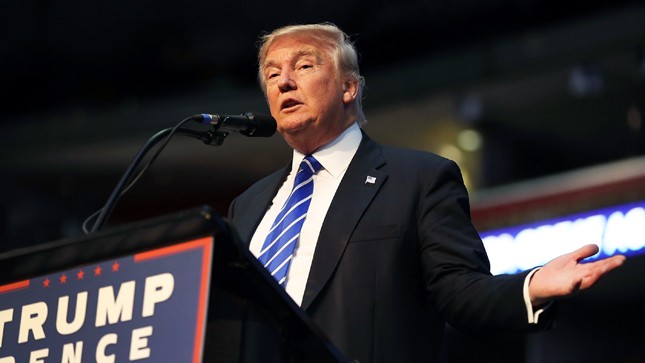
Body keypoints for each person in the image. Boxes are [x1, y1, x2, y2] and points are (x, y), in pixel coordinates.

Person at [227, 23, 625, 362]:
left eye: (304, 65)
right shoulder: (246, 207)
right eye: (272, 72)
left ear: (349, 87)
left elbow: (460, 291)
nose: (284, 81)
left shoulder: (417, 179)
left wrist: (531, 287)